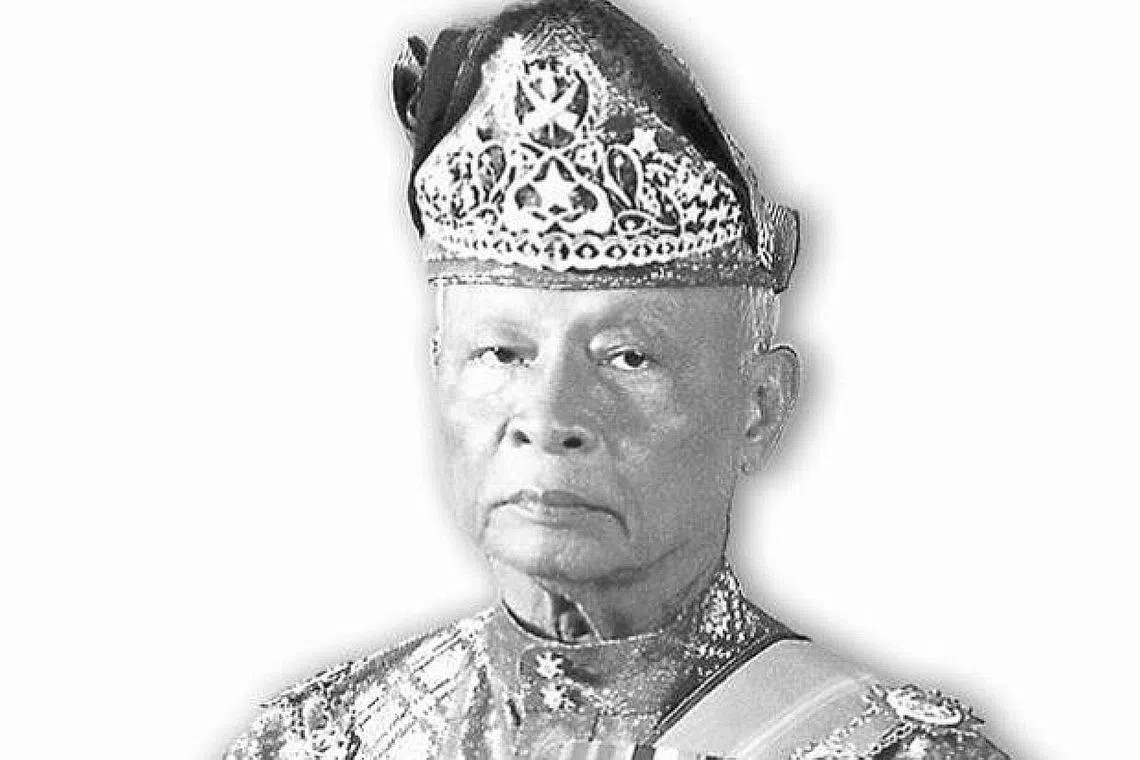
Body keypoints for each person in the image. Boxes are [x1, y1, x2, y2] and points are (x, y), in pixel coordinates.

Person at [225, 1, 1008, 757]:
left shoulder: (886, 751)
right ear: (438, 374)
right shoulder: (321, 744)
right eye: (500, 353)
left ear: (760, 407)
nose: (548, 416)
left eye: (627, 357)